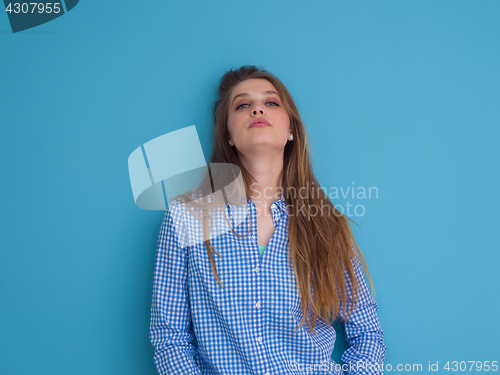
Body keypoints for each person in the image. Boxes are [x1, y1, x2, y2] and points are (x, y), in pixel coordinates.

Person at [149, 66, 386, 375]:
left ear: (291, 131)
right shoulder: (187, 216)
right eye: (242, 105)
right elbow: (170, 339)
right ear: (228, 135)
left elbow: (367, 331)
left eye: (271, 102)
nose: (257, 108)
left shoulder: (327, 225)